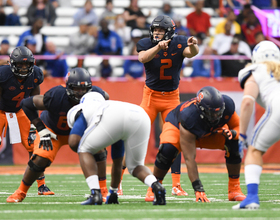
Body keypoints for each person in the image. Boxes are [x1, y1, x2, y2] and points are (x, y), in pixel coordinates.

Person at [118, 15, 199, 200]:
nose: (156, 33)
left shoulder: (179, 42)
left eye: (160, 30)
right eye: (155, 30)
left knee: (174, 140)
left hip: (172, 98)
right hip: (150, 98)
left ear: (169, 31)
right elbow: (142, 58)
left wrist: (194, 44)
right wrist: (158, 46)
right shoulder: (146, 43)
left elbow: (191, 53)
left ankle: (176, 185)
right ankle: (118, 181)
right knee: (134, 137)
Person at [6, 68, 110, 203]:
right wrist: (41, 129)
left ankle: (102, 191)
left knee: (100, 151)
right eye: (76, 89)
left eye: (84, 89)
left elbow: (105, 98)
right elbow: (26, 104)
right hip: (53, 131)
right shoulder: (56, 95)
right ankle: (20, 192)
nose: (80, 92)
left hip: (79, 132)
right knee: (40, 159)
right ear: (67, 87)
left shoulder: (96, 95)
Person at [67, 92, 166, 205]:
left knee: (84, 149)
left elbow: (74, 140)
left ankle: (95, 194)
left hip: (112, 117)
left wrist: (87, 151)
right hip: (140, 115)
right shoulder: (111, 105)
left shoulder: (82, 108)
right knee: (136, 166)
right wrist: (113, 191)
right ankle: (157, 186)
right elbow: (118, 160)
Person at [152, 86, 246, 202]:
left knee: (233, 142)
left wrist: (233, 133)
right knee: (167, 149)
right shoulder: (189, 117)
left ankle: (234, 189)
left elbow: (239, 127)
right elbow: (189, 158)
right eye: (211, 113)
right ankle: (154, 187)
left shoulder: (227, 105)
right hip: (179, 129)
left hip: (208, 133)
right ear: (200, 109)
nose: (215, 117)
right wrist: (198, 189)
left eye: (218, 113)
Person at [0, 46, 54, 197]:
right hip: (1, 110)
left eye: (26, 64)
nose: (24, 68)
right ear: (12, 64)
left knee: (34, 144)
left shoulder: (36, 74)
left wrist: (33, 123)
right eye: (20, 64)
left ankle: (41, 185)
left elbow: (34, 101)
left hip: (20, 110)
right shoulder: (3, 74)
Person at [232, 41, 280, 209]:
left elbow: (247, 102)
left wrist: (242, 135)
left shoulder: (254, 70)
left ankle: (251, 197)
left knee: (254, 150)